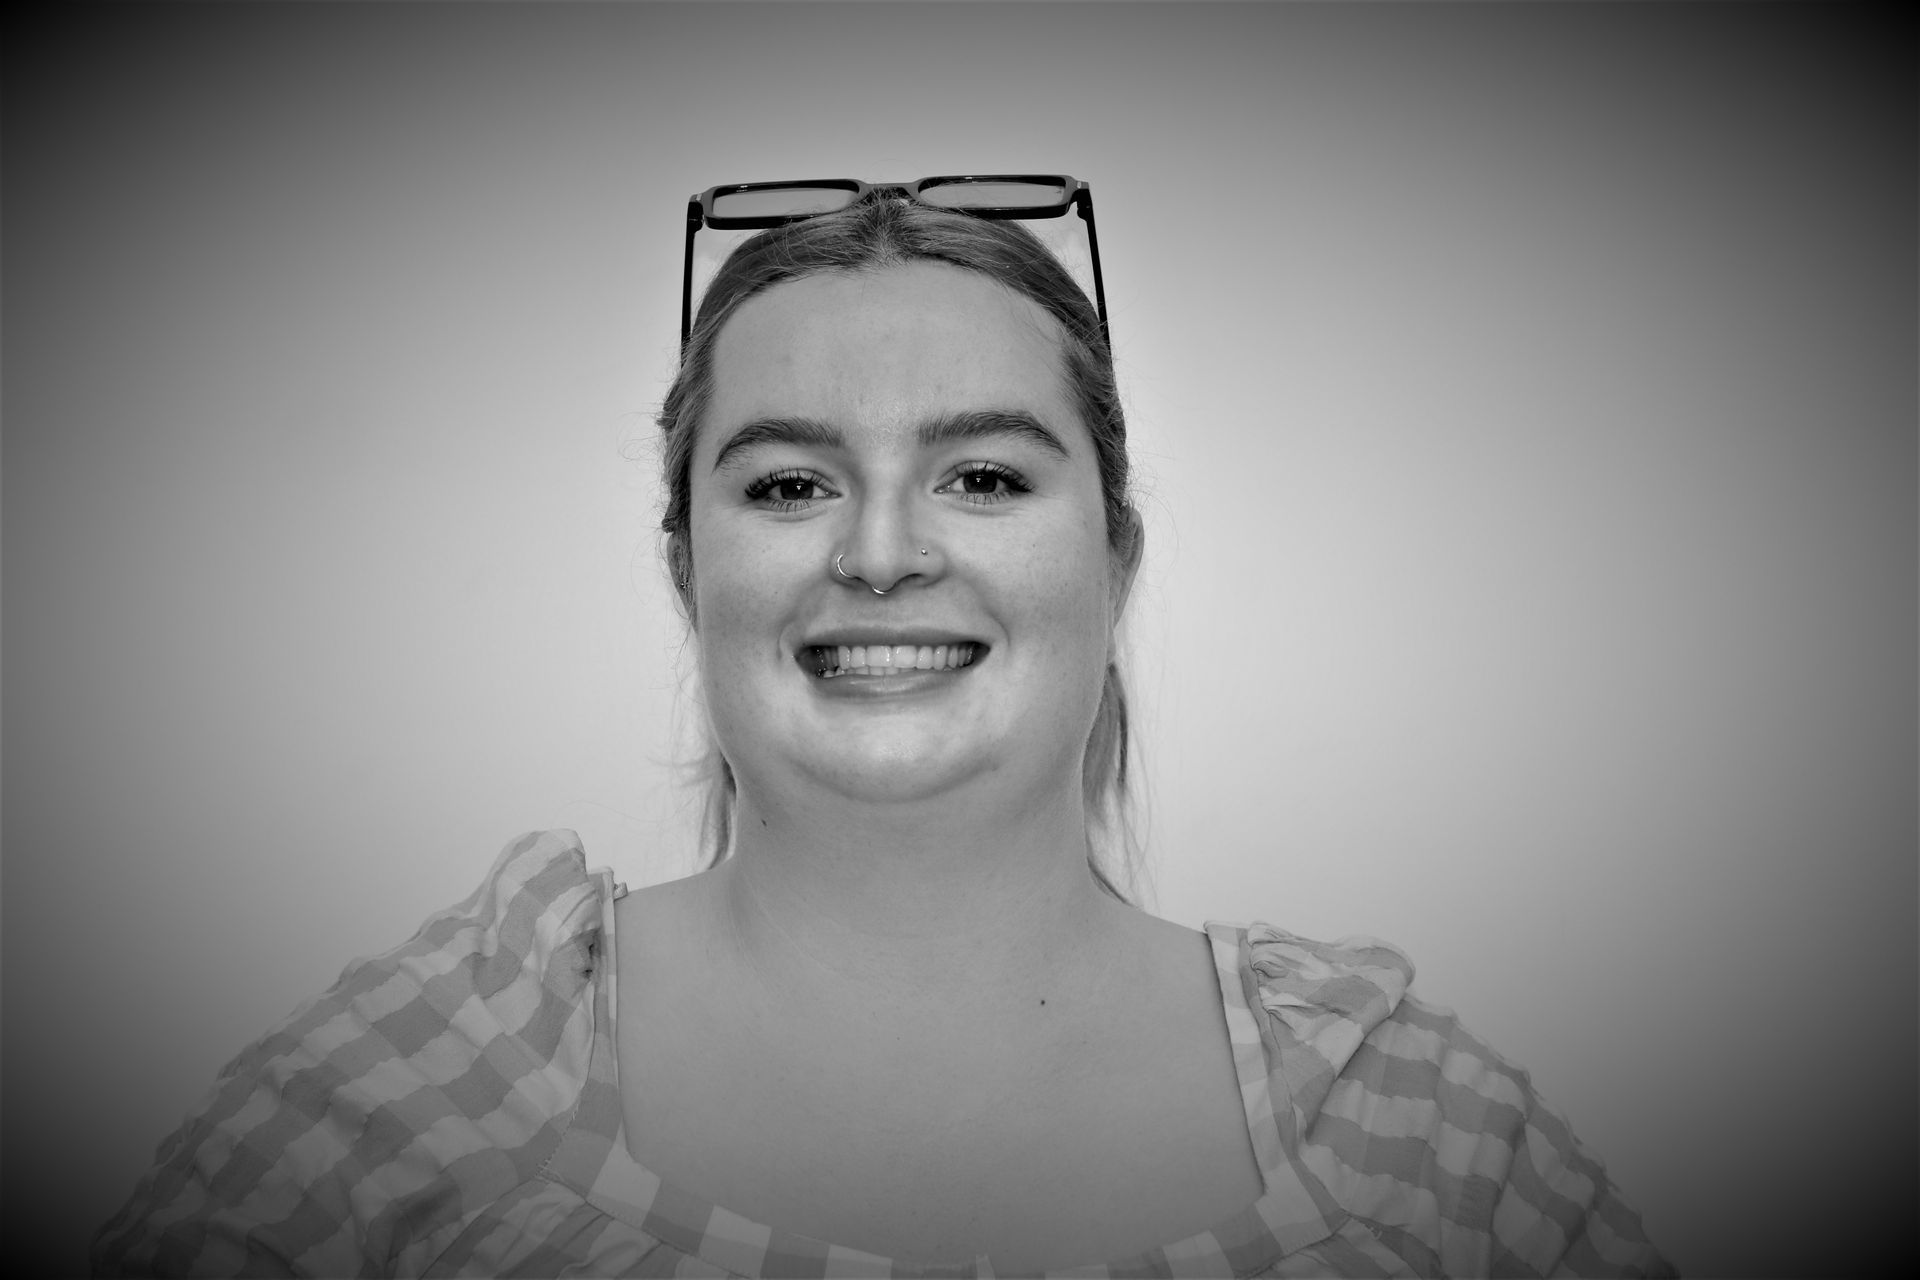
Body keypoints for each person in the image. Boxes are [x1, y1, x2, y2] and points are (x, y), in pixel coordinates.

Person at [95, 180, 1673, 1278]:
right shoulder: (445, 1066)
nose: (878, 552)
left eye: (984, 475)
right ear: (686, 567)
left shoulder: (1407, 1132)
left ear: (1115, 558)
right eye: (788, 483)